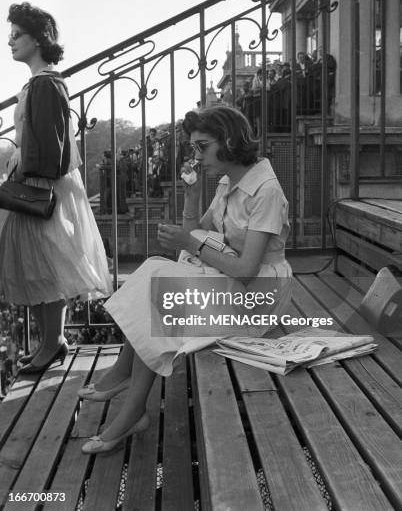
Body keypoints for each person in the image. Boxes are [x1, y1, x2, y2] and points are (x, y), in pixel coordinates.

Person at [78, 105, 292, 454]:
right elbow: (196, 229)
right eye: (194, 147)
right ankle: (127, 389)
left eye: (202, 146)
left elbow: (246, 268)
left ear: (230, 140)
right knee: (153, 272)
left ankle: (130, 401)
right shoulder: (228, 181)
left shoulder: (265, 189)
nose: (196, 155)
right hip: (237, 282)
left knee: (161, 288)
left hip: (260, 296)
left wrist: (189, 243)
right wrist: (191, 195)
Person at [0, 2, 112, 374]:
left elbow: (53, 150)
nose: (10, 41)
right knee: (39, 265)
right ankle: (53, 341)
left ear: (38, 38)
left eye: (17, 34)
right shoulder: (37, 83)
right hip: (35, 179)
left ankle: (53, 342)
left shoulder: (46, 84)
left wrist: (22, 171)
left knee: (48, 264)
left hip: (42, 185)